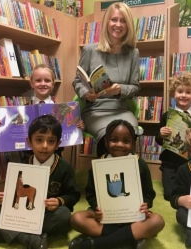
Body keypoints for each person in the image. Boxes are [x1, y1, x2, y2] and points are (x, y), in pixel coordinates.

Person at [0, 114, 81, 248]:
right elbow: (15, 193)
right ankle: (30, 239)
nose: (44, 146)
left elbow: (74, 195)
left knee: (64, 215)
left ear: (58, 144)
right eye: (39, 140)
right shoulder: (21, 165)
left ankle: (5, 232)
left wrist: (59, 201)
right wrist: (5, 198)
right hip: (24, 213)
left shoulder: (65, 168)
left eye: (51, 141)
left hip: (48, 213)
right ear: (29, 142)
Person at [68, 119, 165, 249]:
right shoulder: (98, 164)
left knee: (157, 221)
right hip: (105, 216)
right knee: (76, 219)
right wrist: (97, 207)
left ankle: (97, 243)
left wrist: (145, 205)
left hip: (133, 216)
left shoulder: (140, 164)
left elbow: (148, 193)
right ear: (106, 143)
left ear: (133, 144)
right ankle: (130, 238)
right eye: (114, 140)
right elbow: (91, 193)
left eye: (126, 141)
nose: (120, 144)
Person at [72, 2, 140, 158]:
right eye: (114, 20)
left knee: (128, 134)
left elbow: (135, 87)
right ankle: (103, 177)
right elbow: (77, 81)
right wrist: (86, 94)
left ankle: (128, 178)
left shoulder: (133, 53)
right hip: (95, 110)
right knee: (109, 136)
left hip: (121, 109)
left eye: (123, 21)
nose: (118, 24)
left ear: (128, 25)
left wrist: (120, 90)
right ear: (106, 23)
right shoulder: (90, 50)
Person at [0, 64, 85, 157]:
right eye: (38, 80)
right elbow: (8, 139)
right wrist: (1, 129)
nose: (43, 84)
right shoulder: (22, 112)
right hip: (29, 160)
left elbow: (68, 137)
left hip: (54, 159)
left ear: (53, 84)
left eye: (47, 80)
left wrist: (78, 126)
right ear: (31, 83)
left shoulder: (63, 111)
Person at [154, 72, 191, 200]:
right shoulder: (167, 116)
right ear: (174, 94)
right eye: (180, 91)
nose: (183, 95)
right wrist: (161, 134)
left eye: (188, 92)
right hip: (171, 162)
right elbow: (158, 140)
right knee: (170, 196)